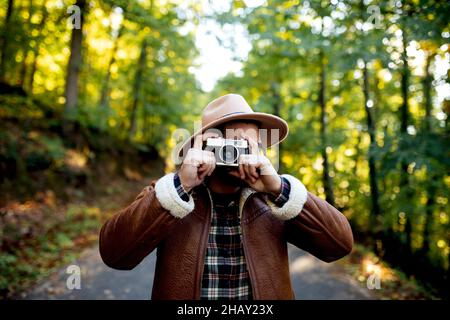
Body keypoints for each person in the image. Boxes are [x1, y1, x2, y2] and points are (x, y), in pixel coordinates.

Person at [99, 93, 353, 300]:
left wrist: (279, 189)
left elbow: (339, 245)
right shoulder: (170, 196)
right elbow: (115, 255)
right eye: (233, 144)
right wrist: (181, 185)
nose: (242, 153)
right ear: (204, 146)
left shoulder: (274, 200)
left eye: (252, 146)